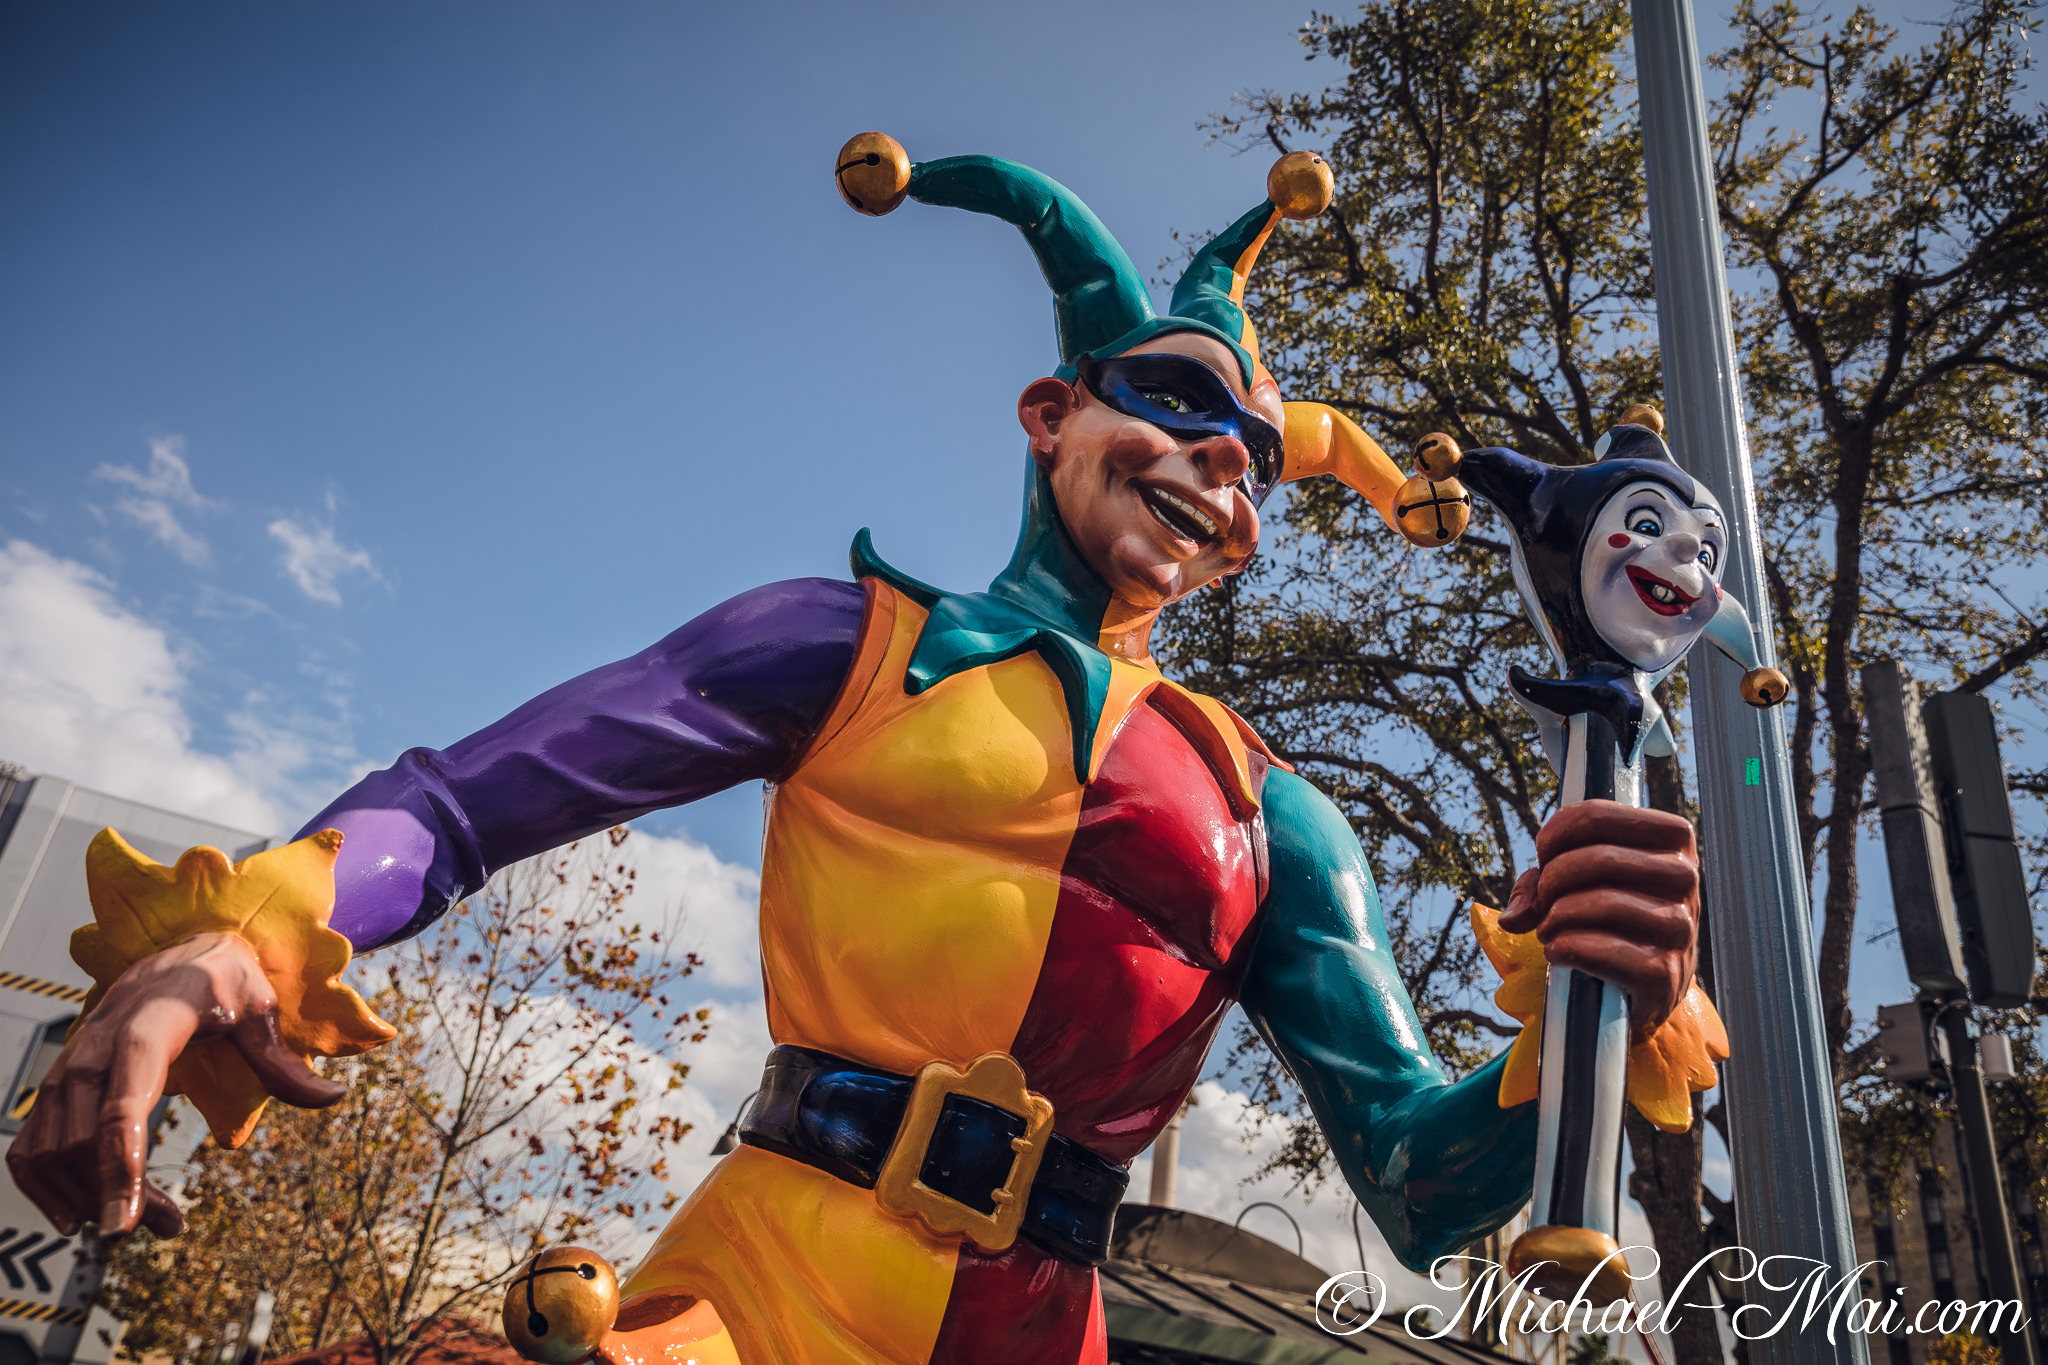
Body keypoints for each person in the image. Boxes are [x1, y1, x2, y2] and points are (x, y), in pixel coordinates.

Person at [8, 139, 1709, 1365]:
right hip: (754, 1301)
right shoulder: (842, 647)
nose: (1221, 473)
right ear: (1053, 415)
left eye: (1258, 455)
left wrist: (1573, 1028)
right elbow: (465, 803)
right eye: (1177, 404)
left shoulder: (1279, 820)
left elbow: (1420, 1183)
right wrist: (243, 936)